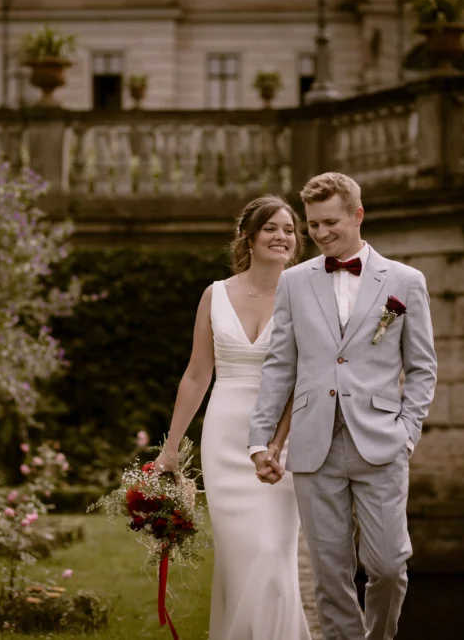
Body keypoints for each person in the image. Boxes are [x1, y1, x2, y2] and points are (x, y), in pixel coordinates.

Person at [248, 172, 437, 640]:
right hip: (314, 445)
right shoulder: (293, 282)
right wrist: (261, 440)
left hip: (381, 443)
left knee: (389, 565)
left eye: (330, 222)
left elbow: (422, 367)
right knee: (330, 574)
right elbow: (279, 365)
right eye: (312, 225)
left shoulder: (405, 282)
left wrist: (407, 431)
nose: (320, 233)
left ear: (358, 214)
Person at [153, 194, 312, 640]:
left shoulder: (305, 294)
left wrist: (278, 443)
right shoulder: (215, 294)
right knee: (241, 557)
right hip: (224, 440)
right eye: (271, 228)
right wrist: (171, 450)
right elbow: (197, 374)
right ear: (249, 236)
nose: (282, 236)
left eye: (289, 230)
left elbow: (305, 378)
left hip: (282, 438)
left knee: (271, 552)